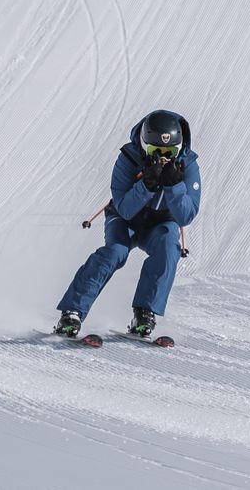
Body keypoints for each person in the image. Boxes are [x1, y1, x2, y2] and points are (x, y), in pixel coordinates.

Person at [54, 110, 202, 339]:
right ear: (144, 145)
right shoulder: (129, 158)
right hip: (126, 220)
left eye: (170, 151)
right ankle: (72, 312)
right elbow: (124, 208)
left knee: (167, 249)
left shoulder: (187, 164)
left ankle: (144, 314)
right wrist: (147, 184)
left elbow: (185, 216)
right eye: (156, 151)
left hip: (161, 222)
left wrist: (174, 186)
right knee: (115, 252)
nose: (164, 157)